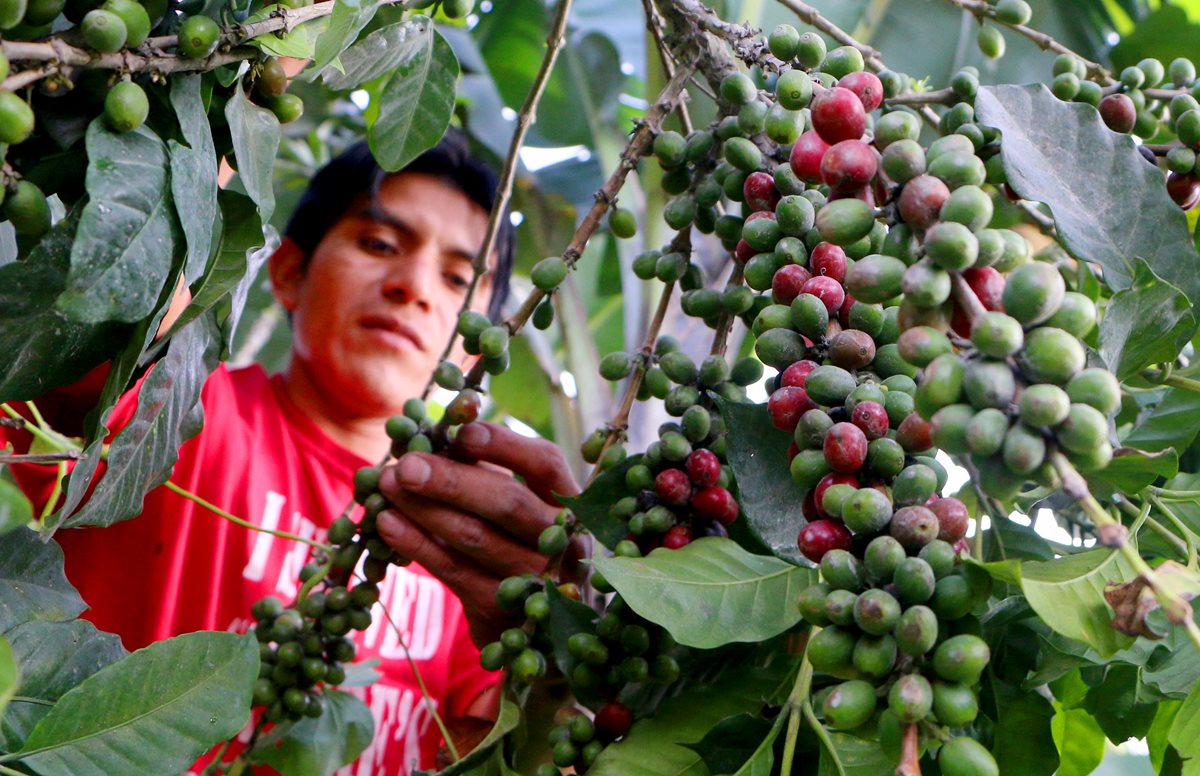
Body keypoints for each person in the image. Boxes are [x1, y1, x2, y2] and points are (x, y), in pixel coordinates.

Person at [2, 129, 579, 774]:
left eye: (458, 278)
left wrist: (558, 658)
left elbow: (520, 750)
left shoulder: (476, 549)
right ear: (288, 272)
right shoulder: (178, 411)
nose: (414, 285)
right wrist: (237, 79)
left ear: (474, 348)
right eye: (379, 244)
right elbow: (114, 294)